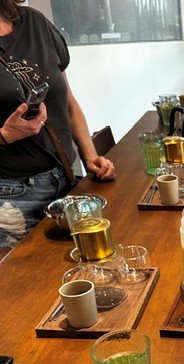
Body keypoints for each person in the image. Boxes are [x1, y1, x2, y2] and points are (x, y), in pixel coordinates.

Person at [0, 0, 116, 248]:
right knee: (29, 273)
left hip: (64, 182)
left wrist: (90, 157)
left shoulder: (34, 22)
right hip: (10, 200)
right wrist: (5, 135)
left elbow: (69, 104)